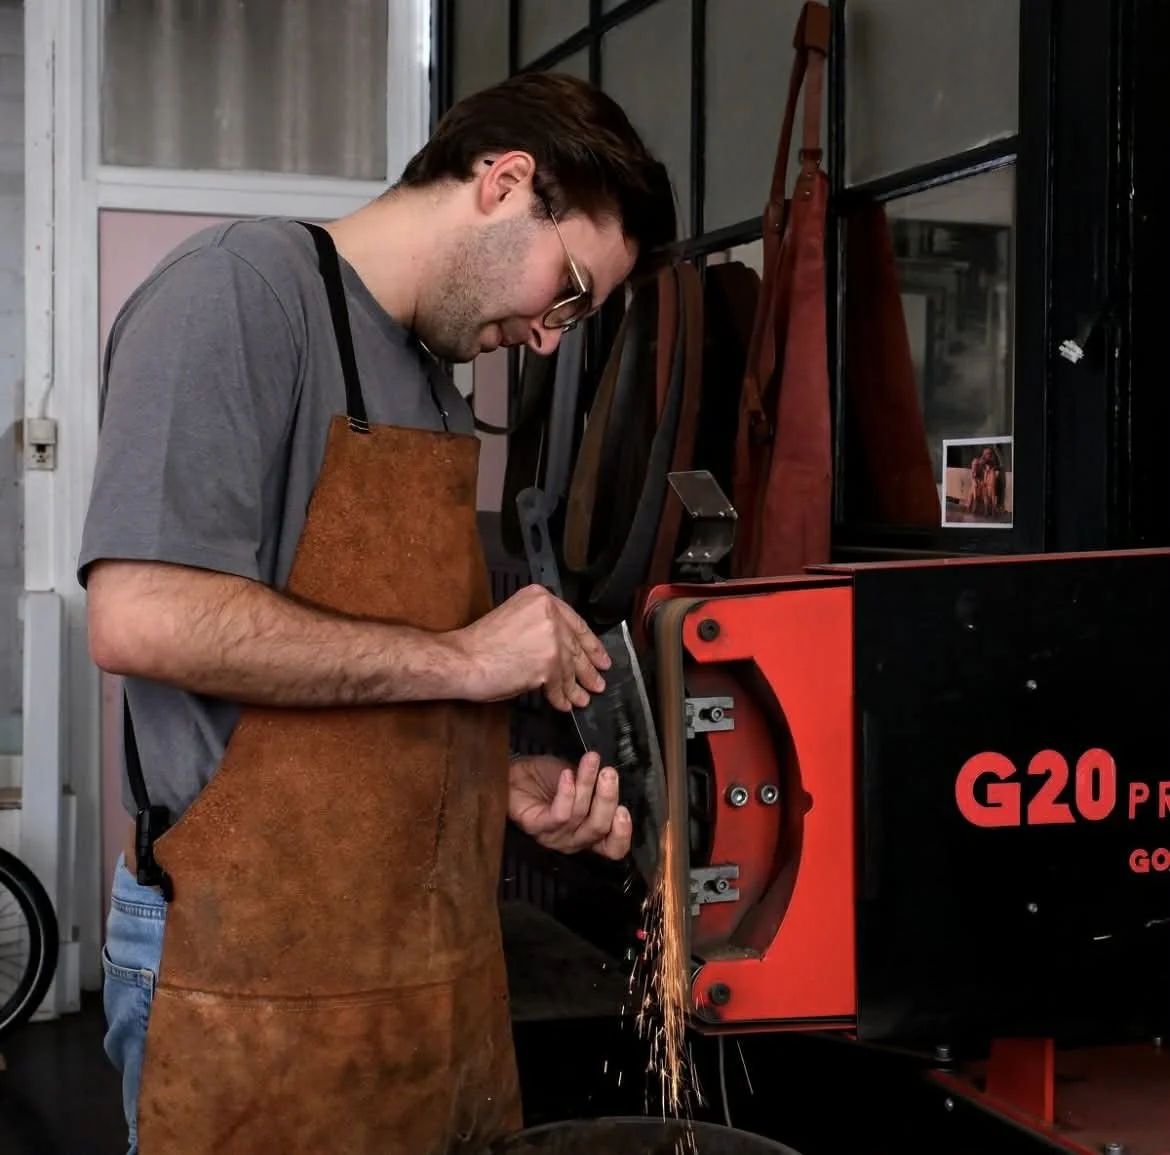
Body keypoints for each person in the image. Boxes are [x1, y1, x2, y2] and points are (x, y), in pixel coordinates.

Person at [79, 70, 677, 1155]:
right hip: (244, 965)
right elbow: (142, 618)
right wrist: (466, 661)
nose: (550, 338)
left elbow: (343, 694)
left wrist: (490, 784)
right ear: (503, 183)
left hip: (425, 972)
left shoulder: (429, 381)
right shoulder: (238, 295)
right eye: (571, 291)